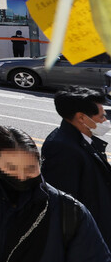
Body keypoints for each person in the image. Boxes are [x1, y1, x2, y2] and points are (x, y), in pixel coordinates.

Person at [0, 126, 111, 262]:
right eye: (11, 168)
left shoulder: (68, 209)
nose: (21, 177)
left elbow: (94, 256)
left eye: (30, 169)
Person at [42, 86, 111, 248]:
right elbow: (65, 204)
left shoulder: (83, 137)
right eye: (101, 116)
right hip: (90, 234)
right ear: (81, 117)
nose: (105, 120)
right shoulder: (62, 148)